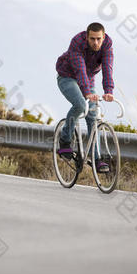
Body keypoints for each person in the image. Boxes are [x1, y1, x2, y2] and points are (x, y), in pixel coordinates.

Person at [55, 22, 114, 173]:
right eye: (92, 39)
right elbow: (80, 70)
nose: (96, 42)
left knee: (92, 115)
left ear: (104, 37)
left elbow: (107, 68)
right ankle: (65, 139)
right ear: (87, 37)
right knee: (81, 105)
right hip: (67, 77)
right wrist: (87, 92)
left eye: (98, 39)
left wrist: (108, 91)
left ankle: (96, 159)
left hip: (87, 80)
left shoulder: (107, 45)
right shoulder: (77, 42)